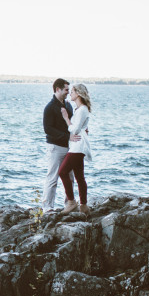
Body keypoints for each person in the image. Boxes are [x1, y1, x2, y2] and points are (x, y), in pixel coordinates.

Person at [57, 84, 93, 214]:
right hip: (77, 145)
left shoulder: (82, 109)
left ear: (78, 93)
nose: (70, 93)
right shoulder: (79, 109)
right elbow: (81, 128)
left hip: (78, 147)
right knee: (79, 176)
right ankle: (83, 206)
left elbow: (76, 129)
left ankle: (71, 202)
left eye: (72, 91)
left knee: (62, 172)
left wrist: (66, 118)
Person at [42, 78, 73, 211]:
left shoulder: (68, 105)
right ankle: (47, 207)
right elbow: (48, 129)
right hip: (55, 147)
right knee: (53, 177)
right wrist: (67, 136)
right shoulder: (49, 107)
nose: (68, 92)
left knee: (70, 177)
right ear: (57, 89)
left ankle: (69, 204)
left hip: (69, 147)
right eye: (66, 90)